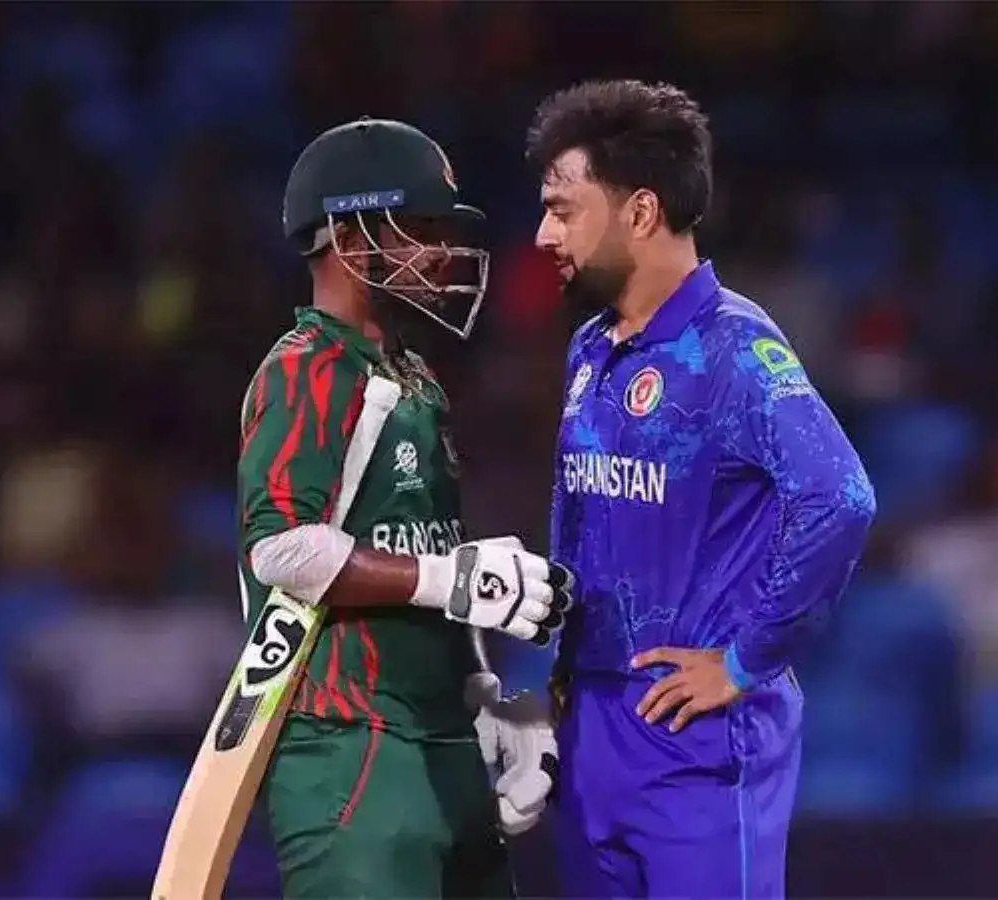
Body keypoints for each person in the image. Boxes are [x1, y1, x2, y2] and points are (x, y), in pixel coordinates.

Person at [528, 80, 877, 898]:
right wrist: (560, 670)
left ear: (641, 211)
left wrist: (748, 659)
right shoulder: (590, 347)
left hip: (697, 733)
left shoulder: (735, 349)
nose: (544, 234)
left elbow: (840, 498)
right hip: (592, 726)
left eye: (563, 209)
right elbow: (580, 512)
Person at [242, 116, 571, 898]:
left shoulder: (415, 378)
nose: (441, 251)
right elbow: (282, 549)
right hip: (349, 749)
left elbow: (432, 556)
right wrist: (449, 581)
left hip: (441, 740)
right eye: (419, 228)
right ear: (351, 238)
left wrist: (486, 698)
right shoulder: (305, 369)